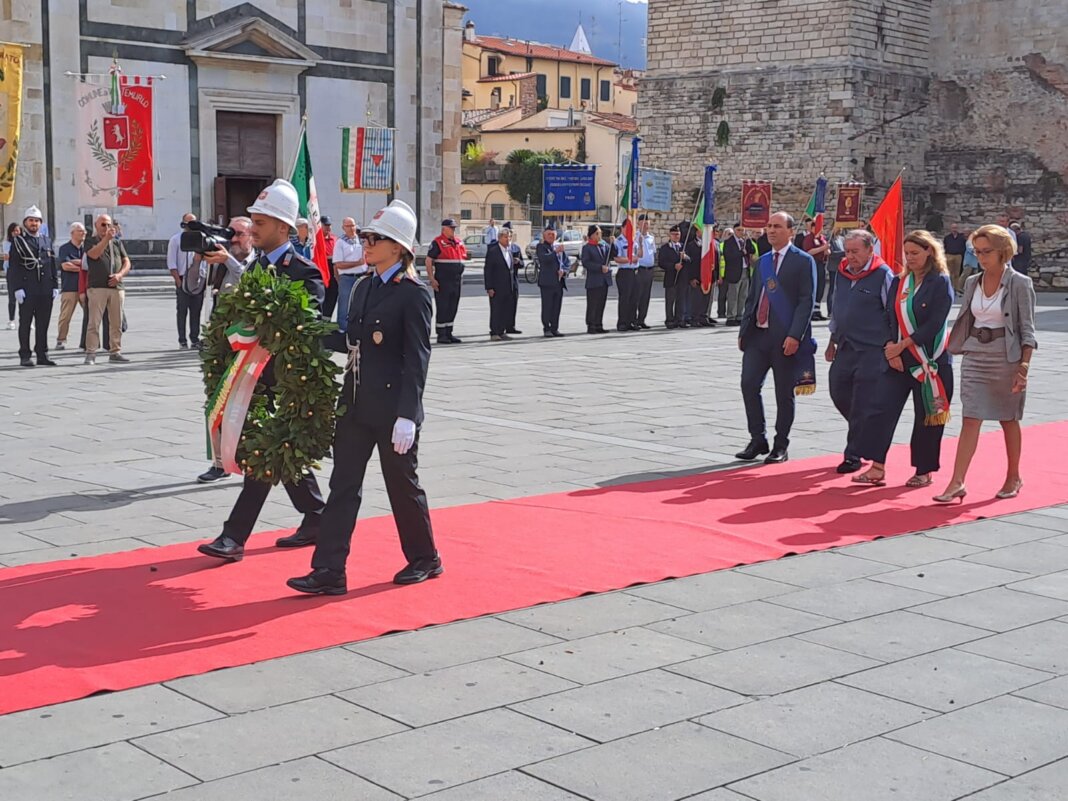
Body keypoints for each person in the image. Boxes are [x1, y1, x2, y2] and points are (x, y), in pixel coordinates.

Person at [288, 200, 440, 595]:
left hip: (392, 410)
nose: (366, 244)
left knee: (402, 486)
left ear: (399, 247)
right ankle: (328, 571)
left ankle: (425, 557)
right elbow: (351, 339)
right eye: (368, 238)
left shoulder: (413, 294)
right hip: (355, 402)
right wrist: (306, 330)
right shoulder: (362, 287)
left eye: (376, 239)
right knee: (343, 487)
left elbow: (416, 359)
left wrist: (408, 415)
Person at [197, 179, 327, 559]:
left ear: (284, 228)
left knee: (266, 454)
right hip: (252, 380)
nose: (252, 228)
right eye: (252, 220)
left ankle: (233, 538)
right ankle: (317, 515)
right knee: (277, 452)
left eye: (262, 222)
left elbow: (311, 324)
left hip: (289, 382)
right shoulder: (252, 267)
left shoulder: (304, 271)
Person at [935, 224, 1037, 503]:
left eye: (986, 252)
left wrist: (1024, 368)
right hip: (975, 355)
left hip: (1006, 357)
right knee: (971, 417)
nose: (981, 257)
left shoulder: (1019, 283)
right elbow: (968, 319)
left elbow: (1027, 330)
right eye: (977, 252)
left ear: (1004, 251)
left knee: (1008, 418)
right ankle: (957, 482)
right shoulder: (971, 283)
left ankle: (1013, 475)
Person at [854, 230, 955, 487]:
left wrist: (903, 346)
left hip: (928, 360)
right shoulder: (901, 282)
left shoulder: (940, 282)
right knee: (881, 411)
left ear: (929, 252)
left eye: (915, 253)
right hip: (897, 361)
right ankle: (876, 467)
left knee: (927, 418)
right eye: (907, 253)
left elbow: (934, 323)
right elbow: (888, 316)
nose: (910, 258)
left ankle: (923, 470)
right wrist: (890, 346)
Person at [736, 212, 817, 464]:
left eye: (777, 226)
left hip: (784, 339)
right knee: (749, 385)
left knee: (784, 393)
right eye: (769, 226)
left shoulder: (803, 261)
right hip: (757, 336)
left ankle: (781, 444)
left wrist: (795, 335)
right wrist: (743, 330)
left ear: (791, 231)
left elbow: (807, 301)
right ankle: (757, 438)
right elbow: (752, 298)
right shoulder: (763, 262)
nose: (771, 230)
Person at [825, 229, 895, 474]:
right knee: (838, 390)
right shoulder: (842, 273)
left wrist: (892, 344)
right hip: (845, 345)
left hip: (872, 348)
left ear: (869, 250)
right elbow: (836, 305)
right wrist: (832, 339)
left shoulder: (883, 274)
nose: (851, 256)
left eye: (856, 251)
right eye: (847, 251)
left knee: (862, 401)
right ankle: (866, 432)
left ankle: (853, 454)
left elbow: (892, 310)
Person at [197, 216, 256, 484]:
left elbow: (253, 283)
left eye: (240, 235)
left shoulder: (257, 263)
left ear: (252, 236)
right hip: (220, 344)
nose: (233, 241)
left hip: (250, 348)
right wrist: (198, 260)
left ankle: (252, 459)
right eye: (230, 236)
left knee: (249, 405)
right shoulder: (219, 263)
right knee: (216, 404)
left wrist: (227, 261)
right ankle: (219, 462)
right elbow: (193, 288)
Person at [8, 206, 60, 367]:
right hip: (27, 288)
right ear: (25, 223)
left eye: (36, 221)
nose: (34, 224)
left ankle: (42, 353)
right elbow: (14, 266)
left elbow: (51, 264)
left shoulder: (46, 240)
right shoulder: (18, 241)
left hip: (44, 289)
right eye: (31, 221)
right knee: (25, 323)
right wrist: (17, 288)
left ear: (40, 223)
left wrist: (54, 285)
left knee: (43, 323)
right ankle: (25, 354)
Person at [83, 214, 132, 365]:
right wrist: (106, 239)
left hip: (116, 287)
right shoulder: (91, 241)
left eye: (109, 225)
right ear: (96, 226)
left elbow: (126, 261)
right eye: (103, 225)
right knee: (94, 322)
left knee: (116, 322)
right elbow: (94, 254)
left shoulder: (117, 243)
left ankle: (115, 351)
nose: (106, 228)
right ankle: (91, 352)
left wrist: (120, 275)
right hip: (98, 287)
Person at [425, 218, 467, 344]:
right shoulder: (437, 242)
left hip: (456, 280)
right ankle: (441, 334)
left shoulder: (458, 242)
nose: (453, 230)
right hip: (443, 280)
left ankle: (449, 332)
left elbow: (463, 258)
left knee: (453, 306)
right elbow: (429, 261)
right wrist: (431, 278)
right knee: (443, 306)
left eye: (454, 228)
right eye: (451, 228)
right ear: (444, 229)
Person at [167, 213, 202, 349]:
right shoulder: (176, 240)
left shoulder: (200, 239)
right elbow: (171, 262)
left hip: (197, 278)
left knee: (196, 310)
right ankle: (182, 339)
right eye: (188, 223)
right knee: (182, 310)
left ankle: (194, 338)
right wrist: (178, 281)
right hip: (182, 277)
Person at [56, 222, 87, 350]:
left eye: (84, 231)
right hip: (70, 286)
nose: (83, 233)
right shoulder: (64, 248)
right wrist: (82, 266)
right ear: (72, 233)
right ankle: (61, 340)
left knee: (90, 314)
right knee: (66, 315)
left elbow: (90, 265)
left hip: (85, 287)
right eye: (80, 231)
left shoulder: (87, 248)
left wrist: (76, 263)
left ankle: (87, 341)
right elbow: (65, 265)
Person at [333, 217, 367, 333]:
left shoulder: (361, 240)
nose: (352, 228)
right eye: (348, 226)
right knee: (344, 305)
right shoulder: (340, 243)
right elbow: (339, 264)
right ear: (343, 228)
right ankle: (343, 329)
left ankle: (358, 328)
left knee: (361, 304)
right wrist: (357, 263)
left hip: (362, 276)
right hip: (347, 278)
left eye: (353, 225)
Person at [485, 226, 519, 341]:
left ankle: (502, 331)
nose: (508, 239)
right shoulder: (493, 251)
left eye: (509, 237)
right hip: (496, 286)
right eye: (505, 237)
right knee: (496, 310)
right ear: (499, 238)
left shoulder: (509, 250)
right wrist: (489, 287)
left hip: (508, 286)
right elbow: (488, 270)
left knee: (506, 309)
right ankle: (494, 332)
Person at [535, 226, 568, 337]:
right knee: (547, 306)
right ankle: (547, 328)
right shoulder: (541, 247)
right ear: (544, 236)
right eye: (549, 234)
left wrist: (564, 271)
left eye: (553, 234)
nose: (551, 236)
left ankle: (555, 327)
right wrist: (555, 252)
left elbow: (566, 262)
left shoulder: (559, 247)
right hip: (547, 282)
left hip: (558, 282)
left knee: (556, 306)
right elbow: (544, 259)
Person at [581, 225, 614, 334]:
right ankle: (591, 325)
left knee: (601, 303)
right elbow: (586, 262)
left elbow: (612, 255)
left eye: (600, 233)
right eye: (598, 233)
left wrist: (613, 244)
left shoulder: (604, 246)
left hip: (604, 280)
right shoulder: (587, 247)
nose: (600, 235)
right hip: (594, 280)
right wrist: (599, 268)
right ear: (592, 235)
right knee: (593, 304)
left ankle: (599, 324)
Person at [802, 220, 830, 320]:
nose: (820, 230)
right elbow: (808, 252)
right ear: (813, 228)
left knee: (820, 287)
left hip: (822, 264)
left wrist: (827, 250)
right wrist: (822, 248)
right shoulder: (809, 238)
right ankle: (812, 311)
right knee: (814, 286)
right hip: (813, 264)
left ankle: (817, 310)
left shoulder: (821, 238)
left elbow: (826, 251)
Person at [614, 223, 640, 331]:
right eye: (627, 228)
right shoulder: (618, 241)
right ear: (622, 228)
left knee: (634, 298)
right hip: (624, 272)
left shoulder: (633, 240)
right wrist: (630, 260)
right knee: (625, 298)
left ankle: (632, 321)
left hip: (634, 271)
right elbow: (617, 258)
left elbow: (639, 254)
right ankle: (622, 323)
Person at [659, 224, 686, 328]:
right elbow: (661, 263)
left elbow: (690, 260)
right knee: (670, 301)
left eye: (678, 234)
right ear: (670, 235)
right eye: (674, 234)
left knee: (681, 300)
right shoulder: (665, 248)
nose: (676, 236)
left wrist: (685, 257)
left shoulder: (683, 247)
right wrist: (673, 266)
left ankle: (680, 319)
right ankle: (669, 320)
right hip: (671, 278)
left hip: (681, 278)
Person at [721, 226, 748, 326]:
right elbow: (728, 256)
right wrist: (741, 253)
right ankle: (731, 316)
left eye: (742, 230)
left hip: (745, 270)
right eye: (739, 230)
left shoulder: (744, 241)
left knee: (743, 295)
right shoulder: (729, 242)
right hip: (734, 272)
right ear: (735, 230)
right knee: (733, 295)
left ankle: (740, 315)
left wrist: (747, 239)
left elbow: (752, 250)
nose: (741, 232)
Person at [634, 215, 657, 329]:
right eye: (643, 223)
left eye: (647, 224)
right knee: (637, 295)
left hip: (649, 269)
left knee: (646, 296)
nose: (645, 226)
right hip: (639, 268)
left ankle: (642, 319)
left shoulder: (651, 238)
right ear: (638, 224)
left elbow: (653, 252)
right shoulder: (635, 236)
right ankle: (634, 319)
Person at [501, 222, 524, 334]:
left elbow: (522, 263)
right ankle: (500, 326)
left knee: (513, 303)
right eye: (507, 233)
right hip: (502, 281)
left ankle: (511, 326)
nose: (509, 235)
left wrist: (518, 261)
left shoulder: (516, 247)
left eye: (510, 233)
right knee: (502, 305)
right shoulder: (497, 247)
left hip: (513, 280)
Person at [320, 215, 339, 319]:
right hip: (322, 267)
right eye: (326, 225)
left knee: (333, 293)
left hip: (333, 267)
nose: (328, 228)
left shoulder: (334, 239)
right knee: (322, 292)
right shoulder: (316, 239)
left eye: (329, 225)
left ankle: (327, 317)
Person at [3, 223, 20, 330]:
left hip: (23, 272)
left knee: (26, 298)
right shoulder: (7, 243)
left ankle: (26, 319)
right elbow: (7, 257)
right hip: (11, 272)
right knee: (12, 297)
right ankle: (11, 320)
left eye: (18, 231)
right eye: (14, 231)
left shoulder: (24, 242)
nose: (16, 233)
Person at [943, 223, 967, 290]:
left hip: (958, 256)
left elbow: (964, 246)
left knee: (957, 273)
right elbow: (944, 246)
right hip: (949, 255)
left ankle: (956, 287)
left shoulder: (961, 238)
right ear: (951, 229)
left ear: (957, 228)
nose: (954, 229)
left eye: (955, 228)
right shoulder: (947, 238)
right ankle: (949, 286)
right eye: (953, 228)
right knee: (949, 272)